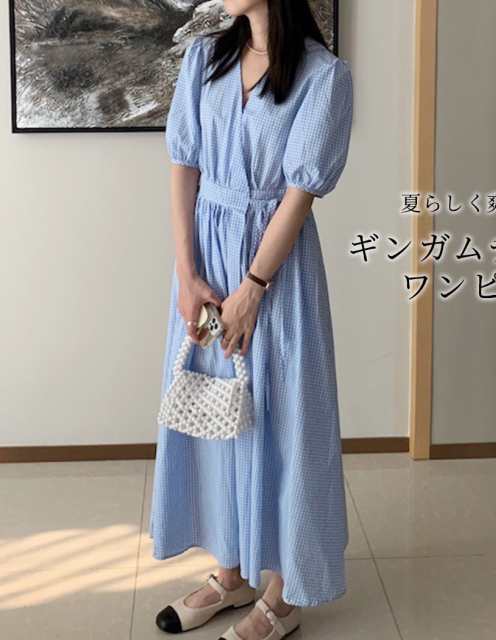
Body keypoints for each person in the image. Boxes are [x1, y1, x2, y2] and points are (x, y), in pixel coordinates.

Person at [148, 0, 354, 638]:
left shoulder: (323, 77)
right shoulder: (204, 59)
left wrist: (254, 289)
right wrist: (187, 273)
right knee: (216, 408)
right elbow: (185, 164)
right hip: (206, 268)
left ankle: (282, 595)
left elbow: (300, 194)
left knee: (283, 415)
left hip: (276, 275)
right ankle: (231, 573)